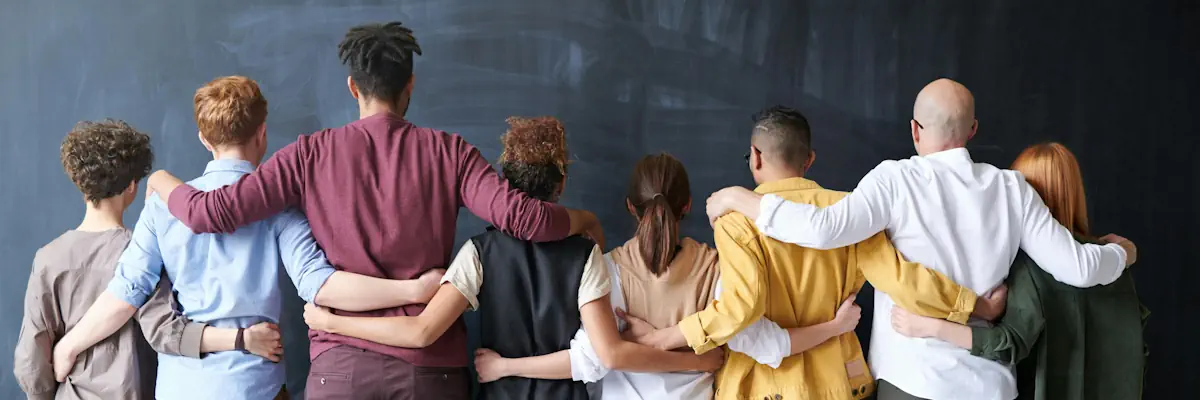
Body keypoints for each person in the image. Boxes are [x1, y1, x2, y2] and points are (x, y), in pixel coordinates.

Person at [142, 22, 603, 399]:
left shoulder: (309, 154)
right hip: (431, 376)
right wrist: (584, 220)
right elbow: (528, 221)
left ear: (352, 87)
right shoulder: (450, 152)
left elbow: (209, 213)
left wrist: (161, 180)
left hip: (339, 373)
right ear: (410, 86)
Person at [704, 79, 1138, 400]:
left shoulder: (894, 180)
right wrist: (1122, 251)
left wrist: (738, 197)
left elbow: (822, 230)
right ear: (972, 131)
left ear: (915, 130)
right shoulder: (1012, 189)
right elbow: (1080, 269)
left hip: (910, 383)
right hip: (989, 385)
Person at [549, 107, 990, 400]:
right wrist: (973, 305)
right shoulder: (851, 210)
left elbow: (740, 309)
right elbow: (903, 279)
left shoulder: (737, 222)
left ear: (755, 157)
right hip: (837, 382)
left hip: (763, 388)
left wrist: (665, 337)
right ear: (810, 159)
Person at [50, 76, 442, 400]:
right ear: (263, 133)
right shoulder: (281, 209)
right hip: (257, 388)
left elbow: (124, 296)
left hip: (182, 389)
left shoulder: (161, 208)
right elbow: (319, 286)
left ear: (204, 140)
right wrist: (414, 290)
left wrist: (67, 347)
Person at [302, 118, 723, 400]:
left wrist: (332, 322)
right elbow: (603, 354)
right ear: (561, 185)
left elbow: (422, 330)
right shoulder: (587, 255)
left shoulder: (478, 253)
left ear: (503, 182)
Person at [469, 152, 853, 399]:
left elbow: (590, 360)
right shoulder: (716, 266)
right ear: (687, 205)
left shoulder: (607, 267)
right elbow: (766, 345)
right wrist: (835, 327)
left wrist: (506, 366)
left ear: (629, 207)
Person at [13, 119, 281, 400]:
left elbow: (31, 357)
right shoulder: (140, 250)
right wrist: (243, 339)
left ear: (82, 185)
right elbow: (166, 331)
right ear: (132, 186)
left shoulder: (48, 258)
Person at [890, 142, 1149, 400]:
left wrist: (931, 327)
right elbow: (1137, 344)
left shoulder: (1026, 268)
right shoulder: (1112, 261)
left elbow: (1008, 344)